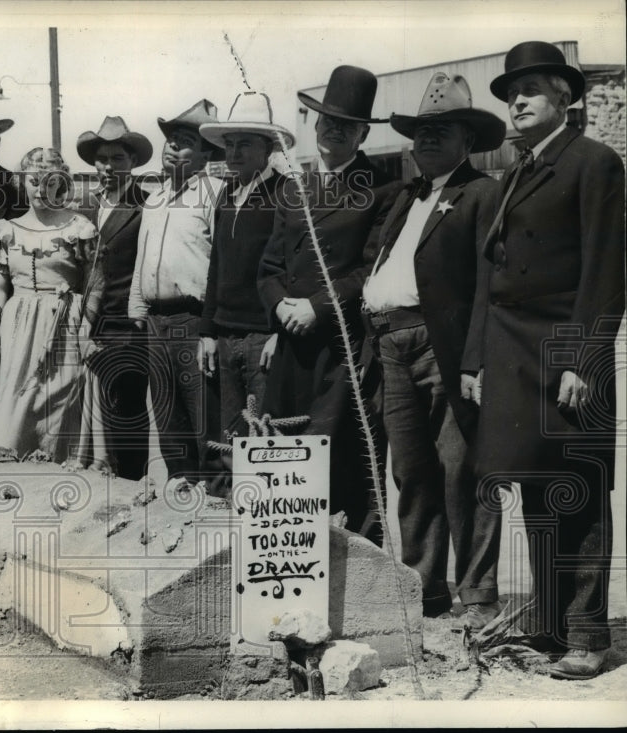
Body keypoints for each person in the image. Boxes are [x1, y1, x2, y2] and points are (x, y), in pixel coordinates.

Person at [469, 41, 625, 680]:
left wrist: (580, 360)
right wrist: (476, 360)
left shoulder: (593, 162)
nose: (518, 100)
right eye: (511, 92)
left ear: (564, 97)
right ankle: (551, 628)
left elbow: (607, 271)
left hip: (564, 347)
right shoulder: (512, 174)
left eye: (532, 88)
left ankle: (589, 637)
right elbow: (491, 274)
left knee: (579, 486)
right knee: (535, 486)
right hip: (511, 351)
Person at [362, 74, 505, 625]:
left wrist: (476, 359)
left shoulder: (482, 193)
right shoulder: (403, 196)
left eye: (441, 132)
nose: (427, 140)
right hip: (390, 344)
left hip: (441, 344)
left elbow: (489, 284)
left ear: (468, 141)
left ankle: (478, 597)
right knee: (412, 472)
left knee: (462, 468)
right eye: (421, 132)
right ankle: (424, 589)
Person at [257, 66, 401, 543]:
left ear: (362, 134)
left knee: (344, 457)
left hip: (340, 349)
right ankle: (290, 566)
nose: (332, 130)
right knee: (288, 457)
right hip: (290, 348)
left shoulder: (382, 190)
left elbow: (369, 271)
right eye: (326, 121)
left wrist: (316, 307)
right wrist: (279, 305)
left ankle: (361, 574)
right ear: (313, 126)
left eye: (346, 124)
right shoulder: (293, 188)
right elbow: (270, 266)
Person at [127, 99, 227, 495]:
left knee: (203, 411)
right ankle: (180, 490)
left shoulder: (216, 194)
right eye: (170, 139)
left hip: (193, 318)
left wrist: (212, 326)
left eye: (185, 142)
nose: (172, 147)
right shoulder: (154, 197)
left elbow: (222, 263)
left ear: (206, 153)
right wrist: (137, 306)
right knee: (167, 415)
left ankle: (216, 498)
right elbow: (143, 257)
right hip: (156, 319)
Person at [198, 91, 294, 493]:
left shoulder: (285, 193)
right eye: (230, 144)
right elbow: (216, 264)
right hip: (225, 334)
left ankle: (263, 526)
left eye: (245, 144)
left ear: (268, 148)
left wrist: (279, 332)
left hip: (262, 335)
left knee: (265, 437)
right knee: (229, 436)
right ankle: (229, 521)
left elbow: (291, 267)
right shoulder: (225, 194)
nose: (234, 153)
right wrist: (207, 330)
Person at [0, 147, 99, 462]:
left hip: (64, 327)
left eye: (49, 182)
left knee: (59, 410)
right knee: (13, 410)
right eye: (33, 181)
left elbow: (93, 284)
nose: (40, 189)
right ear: (22, 182)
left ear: (60, 183)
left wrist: (86, 329)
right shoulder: (6, 230)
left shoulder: (78, 228)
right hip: (17, 329)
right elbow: (0, 285)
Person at [68, 116, 152, 479]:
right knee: (84, 424)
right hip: (85, 326)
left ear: (132, 162)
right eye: (102, 158)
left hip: (124, 328)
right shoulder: (84, 208)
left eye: (118, 158)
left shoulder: (146, 206)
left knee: (125, 418)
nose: (108, 166)